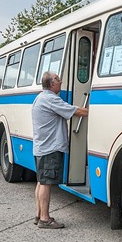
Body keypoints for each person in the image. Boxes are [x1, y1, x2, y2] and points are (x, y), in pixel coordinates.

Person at [32, 71, 88, 229]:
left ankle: (38, 215)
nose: (61, 81)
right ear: (51, 84)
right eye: (57, 79)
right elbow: (74, 111)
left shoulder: (41, 97)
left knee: (41, 181)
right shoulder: (50, 99)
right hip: (50, 148)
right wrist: (94, 110)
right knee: (46, 183)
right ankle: (45, 219)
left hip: (42, 147)